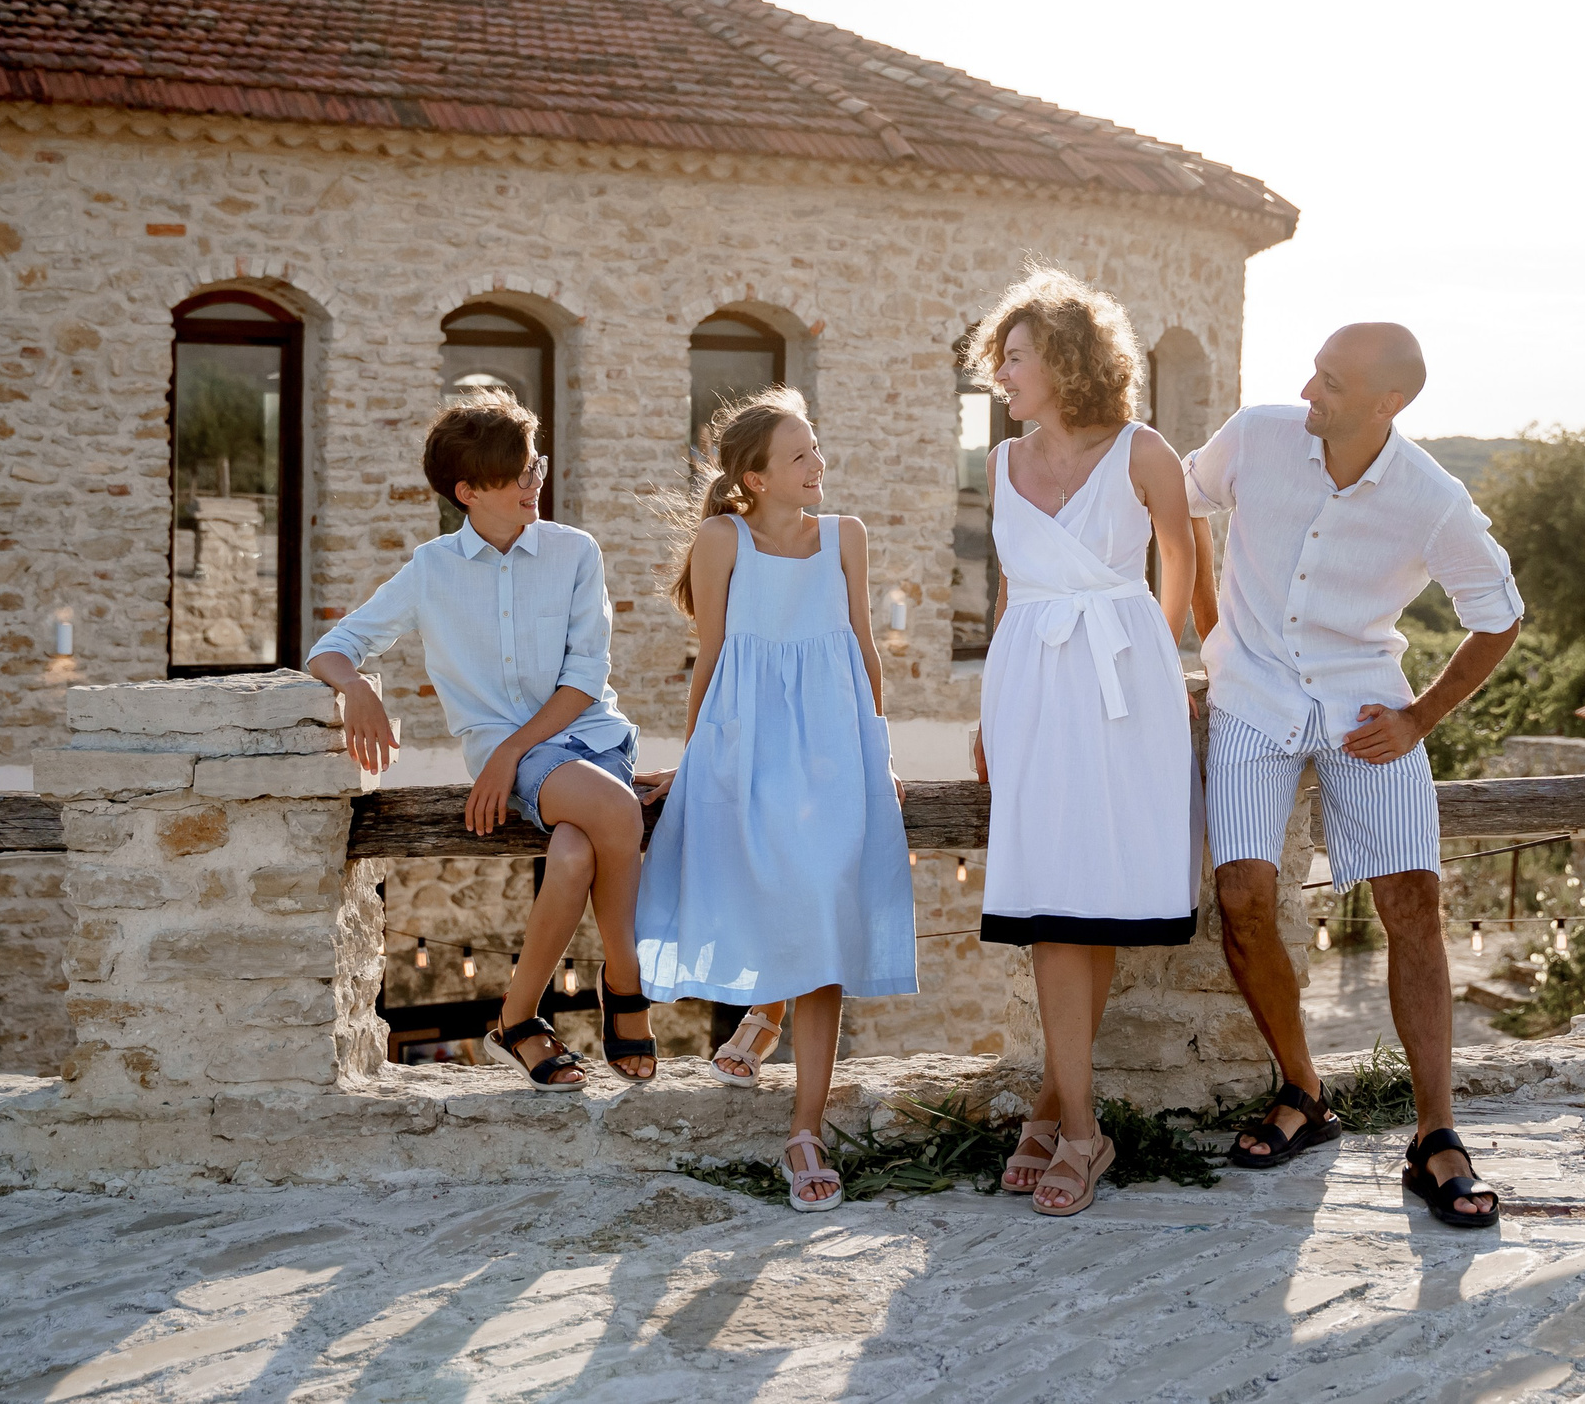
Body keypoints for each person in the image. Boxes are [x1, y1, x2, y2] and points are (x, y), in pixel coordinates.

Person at [1184, 322, 1522, 1225]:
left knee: (1414, 901)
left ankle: (1436, 1134)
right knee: (1244, 893)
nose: (1307, 391)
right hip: (1251, 696)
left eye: (1329, 382)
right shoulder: (1257, 436)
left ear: (1387, 403)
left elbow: (1499, 613)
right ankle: (1303, 1090)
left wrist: (1421, 717)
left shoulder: (1430, 497)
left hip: (1366, 708)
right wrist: (1209, 629)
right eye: (1314, 372)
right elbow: (1170, 497)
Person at [308, 391, 659, 1090]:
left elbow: (585, 682)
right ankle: (625, 987)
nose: (536, 482)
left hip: (587, 738)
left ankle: (518, 1017)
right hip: (530, 762)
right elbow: (333, 647)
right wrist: (360, 689)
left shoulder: (574, 552)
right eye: (519, 473)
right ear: (469, 490)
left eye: (536, 466)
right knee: (618, 813)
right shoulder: (432, 569)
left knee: (574, 851)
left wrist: (506, 752)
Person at [631, 387, 914, 1213]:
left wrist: (878, 754)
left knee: (826, 896)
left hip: (834, 746)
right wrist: (695, 762)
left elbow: (864, 646)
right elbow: (713, 656)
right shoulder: (723, 540)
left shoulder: (846, 537)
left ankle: (805, 1125)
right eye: (800, 455)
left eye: (817, 449)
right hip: (748, 742)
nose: (817, 465)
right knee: (770, 881)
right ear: (753, 478)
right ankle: (764, 1010)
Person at [968, 266, 1197, 1218]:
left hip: (1121, 686)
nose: (1002, 376)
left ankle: (1065, 1118)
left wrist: (1163, 664)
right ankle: (1073, 1119)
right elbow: (1009, 595)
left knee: (1094, 901)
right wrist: (989, 712)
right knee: (1053, 900)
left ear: (1065, 360)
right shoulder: (1000, 462)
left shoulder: (1144, 452)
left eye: (1015, 358)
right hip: (1031, 680)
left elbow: (1182, 555)